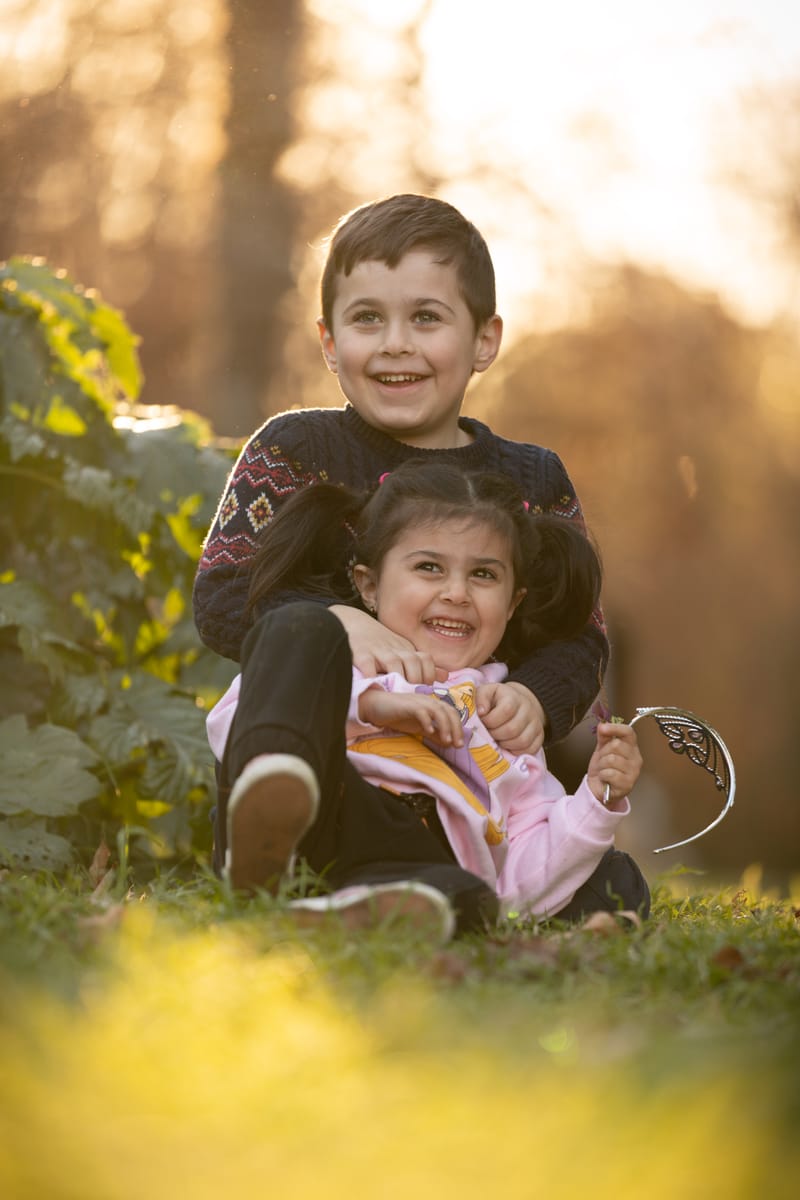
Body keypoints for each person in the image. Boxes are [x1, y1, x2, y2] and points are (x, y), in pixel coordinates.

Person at [194, 193, 608, 765]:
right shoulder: (293, 449)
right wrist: (333, 626)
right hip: (327, 761)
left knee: (607, 862)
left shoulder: (534, 479)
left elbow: (580, 635)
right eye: (367, 318)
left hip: (479, 767)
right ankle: (272, 833)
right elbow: (223, 596)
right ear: (330, 344)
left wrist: (534, 698)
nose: (395, 343)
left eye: (426, 317)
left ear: (484, 341)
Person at [206, 462, 649, 937]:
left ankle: (349, 915)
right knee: (297, 624)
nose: (456, 593)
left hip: (410, 860)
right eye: (428, 567)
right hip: (319, 814)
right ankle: (264, 845)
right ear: (369, 585)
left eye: (483, 574)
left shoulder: (503, 715)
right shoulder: (344, 653)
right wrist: (370, 704)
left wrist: (597, 797)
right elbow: (234, 720)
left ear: (513, 604)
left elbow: (519, 878)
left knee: (572, 883)